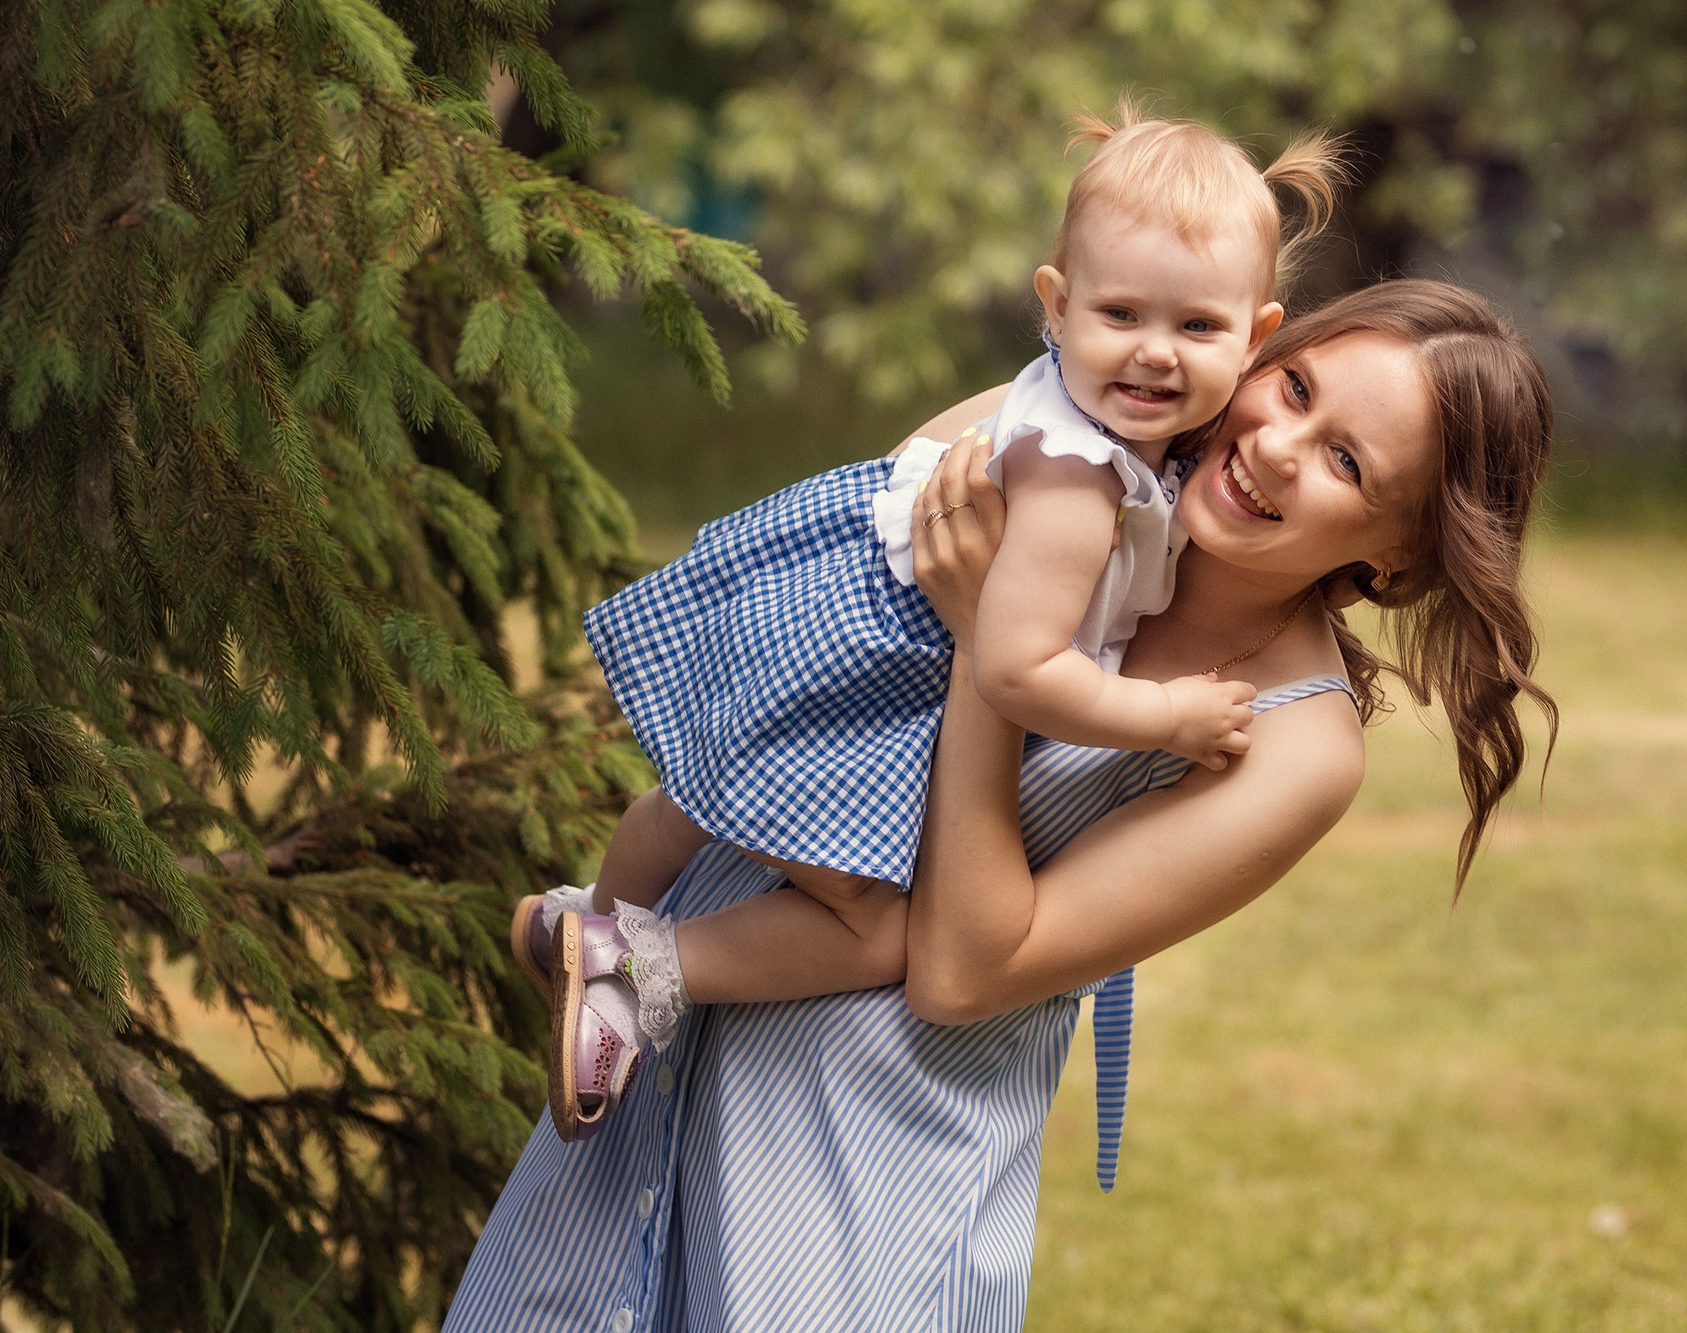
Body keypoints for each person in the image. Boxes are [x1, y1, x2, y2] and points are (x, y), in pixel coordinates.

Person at [439, 281, 1558, 1333]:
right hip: (645, 1049)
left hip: (850, 1179)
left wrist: (994, 645)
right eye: (1297, 389)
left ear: (1399, 553)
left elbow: (963, 973)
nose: (1274, 446)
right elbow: (799, 645)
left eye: (1346, 463)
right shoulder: (1057, 441)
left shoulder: (1294, 746)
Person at [521, 104, 1338, 1138]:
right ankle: (636, 969)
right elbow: (1017, 673)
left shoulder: (1065, 407)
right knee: (871, 931)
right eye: (1121, 316)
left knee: (686, 804)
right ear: (1057, 300)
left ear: (1255, 336)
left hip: (805, 629)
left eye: (1198, 328)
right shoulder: (1074, 490)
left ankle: (581, 916)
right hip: (867, 680)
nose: (1156, 357)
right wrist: (1164, 717)